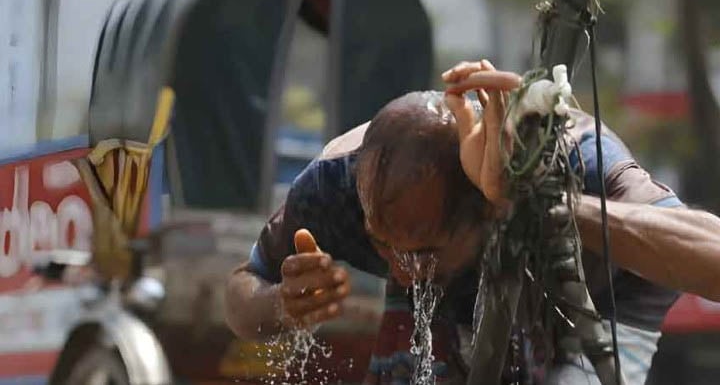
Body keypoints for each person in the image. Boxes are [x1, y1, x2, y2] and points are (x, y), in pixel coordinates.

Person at [225, 59, 720, 384]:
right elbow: (240, 298)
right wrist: (283, 305)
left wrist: (544, 205)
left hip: (599, 291)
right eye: (381, 244)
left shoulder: (577, 162)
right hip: (453, 288)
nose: (399, 269)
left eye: (420, 251)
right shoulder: (336, 190)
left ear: (484, 209)